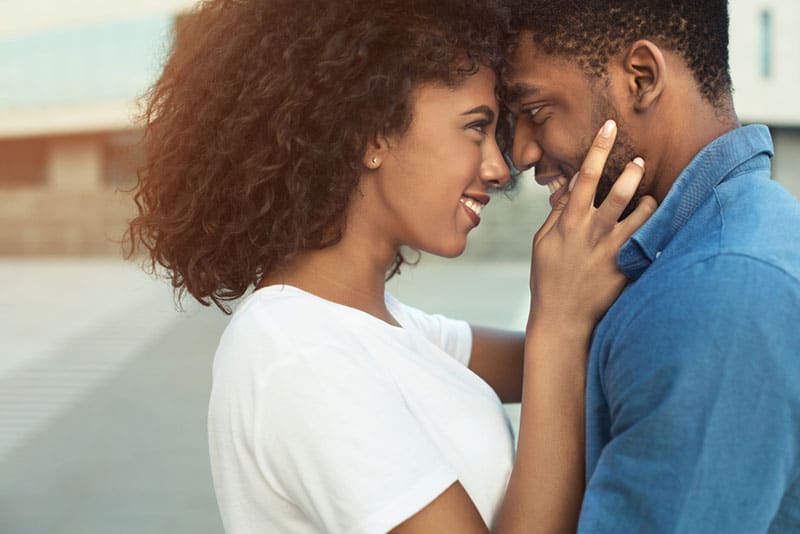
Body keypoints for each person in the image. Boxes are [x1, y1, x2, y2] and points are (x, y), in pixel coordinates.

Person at [125, 0, 655, 532]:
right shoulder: (296, 352)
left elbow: (559, 363)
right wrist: (558, 320)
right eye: (475, 128)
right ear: (371, 134)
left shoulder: (379, 327)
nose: (499, 168)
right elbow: (556, 351)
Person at [502, 0, 800, 531]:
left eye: (538, 111)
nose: (521, 153)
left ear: (640, 77)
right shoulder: (679, 254)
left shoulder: (719, 293)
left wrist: (558, 324)